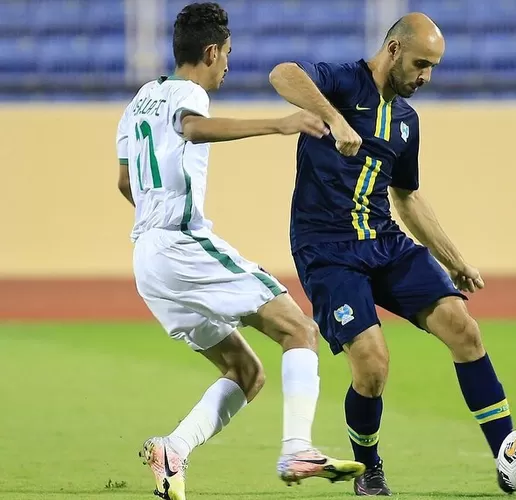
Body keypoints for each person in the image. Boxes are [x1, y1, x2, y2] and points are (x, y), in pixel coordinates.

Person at [269, 12, 516, 496]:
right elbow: (281, 73)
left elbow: (407, 196)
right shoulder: (342, 82)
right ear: (393, 50)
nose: (425, 77)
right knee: (372, 364)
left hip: (385, 242)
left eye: (432, 67)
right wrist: (331, 118)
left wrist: (454, 259)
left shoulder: (407, 122)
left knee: (464, 328)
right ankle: (368, 468)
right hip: (326, 251)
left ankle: (508, 458)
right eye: (420, 64)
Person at [115, 3, 365, 499]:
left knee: (246, 373)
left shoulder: (139, 100)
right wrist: (279, 124)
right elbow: (191, 128)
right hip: (181, 242)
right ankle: (298, 448)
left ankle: (173, 450)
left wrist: (156, 211)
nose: (228, 64)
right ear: (211, 52)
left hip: (146, 255)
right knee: (300, 328)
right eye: (227, 54)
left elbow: (126, 182)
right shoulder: (188, 94)